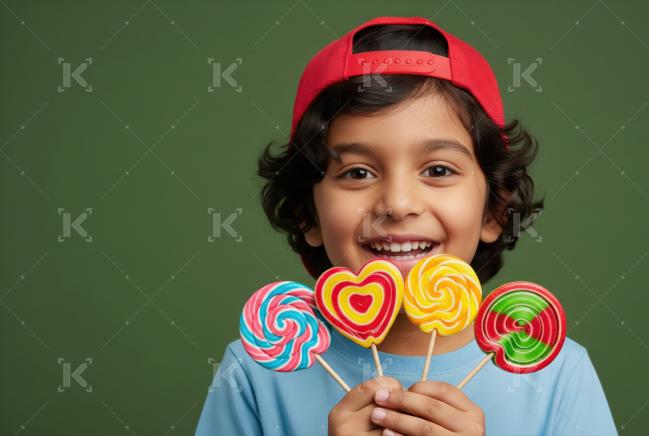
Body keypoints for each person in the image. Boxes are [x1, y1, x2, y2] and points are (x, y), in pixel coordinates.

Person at [196, 16, 617, 436]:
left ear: (494, 211)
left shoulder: (556, 372)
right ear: (308, 214)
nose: (397, 204)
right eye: (358, 173)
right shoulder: (255, 371)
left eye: (437, 169)